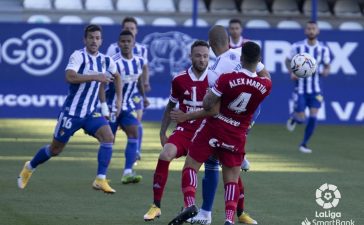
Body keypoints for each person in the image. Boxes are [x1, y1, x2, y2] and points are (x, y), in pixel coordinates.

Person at [168, 41, 272, 225]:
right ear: (259, 60)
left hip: (214, 129)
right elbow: (266, 76)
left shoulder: (226, 79)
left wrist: (207, 98)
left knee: (191, 165)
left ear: (241, 59)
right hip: (237, 134)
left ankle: (190, 204)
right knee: (231, 179)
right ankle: (229, 219)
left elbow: (209, 106)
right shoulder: (265, 86)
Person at [17, 24, 122, 194]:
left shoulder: (106, 60)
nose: (94, 41)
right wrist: (96, 76)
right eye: (91, 38)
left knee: (108, 137)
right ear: (85, 39)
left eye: (97, 38)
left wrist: (119, 99)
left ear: (101, 41)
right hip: (71, 113)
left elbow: (117, 76)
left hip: (90, 112)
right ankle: (29, 167)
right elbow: (69, 76)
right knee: (55, 149)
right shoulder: (78, 56)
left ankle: (100, 179)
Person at [143, 40, 210, 221]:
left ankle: (240, 211)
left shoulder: (215, 78)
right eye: (198, 55)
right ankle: (156, 206)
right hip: (185, 130)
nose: (202, 59)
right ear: (190, 56)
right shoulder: (179, 79)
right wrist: (162, 132)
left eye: (205, 56)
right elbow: (170, 105)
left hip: (208, 131)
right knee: (165, 155)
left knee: (230, 165)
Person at [100, 30, 148, 184]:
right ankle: (101, 176)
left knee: (134, 133)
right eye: (123, 41)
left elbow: (139, 81)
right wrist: (103, 107)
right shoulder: (113, 62)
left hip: (127, 106)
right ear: (118, 43)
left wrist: (144, 97)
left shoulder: (139, 61)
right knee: (109, 140)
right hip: (112, 107)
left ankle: (127, 172)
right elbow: (102, 86)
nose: (126, 44)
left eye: (129, 41)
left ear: (134, 43)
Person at [106, 16, 150, 161]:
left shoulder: (142, 49)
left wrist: (145, 84)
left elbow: (144, 68)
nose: (129, 30)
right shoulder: (113, 48)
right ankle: (108, 149)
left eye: (131, 28)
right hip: (117, 91)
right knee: (112, 128)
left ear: (136, 31)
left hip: (135, 91)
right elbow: (108, 68)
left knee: (137, 120)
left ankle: (136, 150)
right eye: (126, 28)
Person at [285, 21, 331, 153]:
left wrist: (327, 71)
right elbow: (287, 60)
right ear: (305, 31)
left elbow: (327, 65)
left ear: (318, 31)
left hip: (316, 90)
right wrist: (291, 72)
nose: (311, 31)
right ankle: (295, 118)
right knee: (301, 118)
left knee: (314, 116)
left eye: (313, 29)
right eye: (309, 28)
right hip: (299, 88)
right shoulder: (297, 47)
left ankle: (304, 144)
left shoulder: (323, 49)